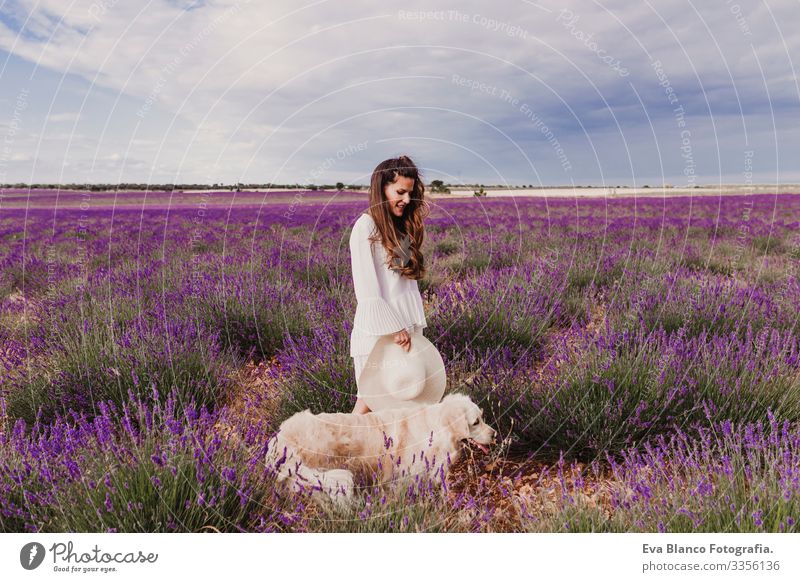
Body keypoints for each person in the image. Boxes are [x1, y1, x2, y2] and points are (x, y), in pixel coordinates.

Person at [349, 155, 430, 414]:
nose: (407, 200)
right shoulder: (365, 227)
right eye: (400, 192)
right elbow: (367, 289)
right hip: (381, 328)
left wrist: (406, 326)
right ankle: (337, 451)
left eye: (410, 193)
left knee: (401, 402)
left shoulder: (398, 227)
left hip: (405, 325)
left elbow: (401, 280)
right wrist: (394, 328)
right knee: (369, 400)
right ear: (381, 188)